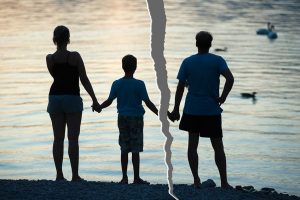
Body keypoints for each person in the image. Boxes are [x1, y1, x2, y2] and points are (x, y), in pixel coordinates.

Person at [169, 31, 234, 189]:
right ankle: (224, 182)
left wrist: (176, 109)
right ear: (210, 44)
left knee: (192, 146)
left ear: (196, 44)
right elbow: (230, 79)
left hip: (192, 110)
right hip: (211, 110)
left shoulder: (188, 62)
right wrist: (223, 97)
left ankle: (196, 181)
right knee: (218, 146)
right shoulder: (217, 60)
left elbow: (180, 87)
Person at [46, 25, 101, 181]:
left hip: (55, 97)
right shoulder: (75, 57)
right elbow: (83, 79)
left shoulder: (49, 58)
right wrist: (95, 100)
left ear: (54, 39)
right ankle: (75, 175)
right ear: (68, 39)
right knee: (73, 139)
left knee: (57, 138)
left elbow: (56, 77)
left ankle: (59, 175)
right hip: (72, 98)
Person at [99, 54, 158, 184]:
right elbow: (148, 102)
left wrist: (99, 107)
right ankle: (136, 178)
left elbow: (109, 101)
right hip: (136, 118)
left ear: (122, 67)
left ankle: (124, 177)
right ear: (135, 67)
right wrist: (159, 114)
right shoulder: (139, 84)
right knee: (135, 149)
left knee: (124, 147)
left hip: (122, 118)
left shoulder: (117, 83)